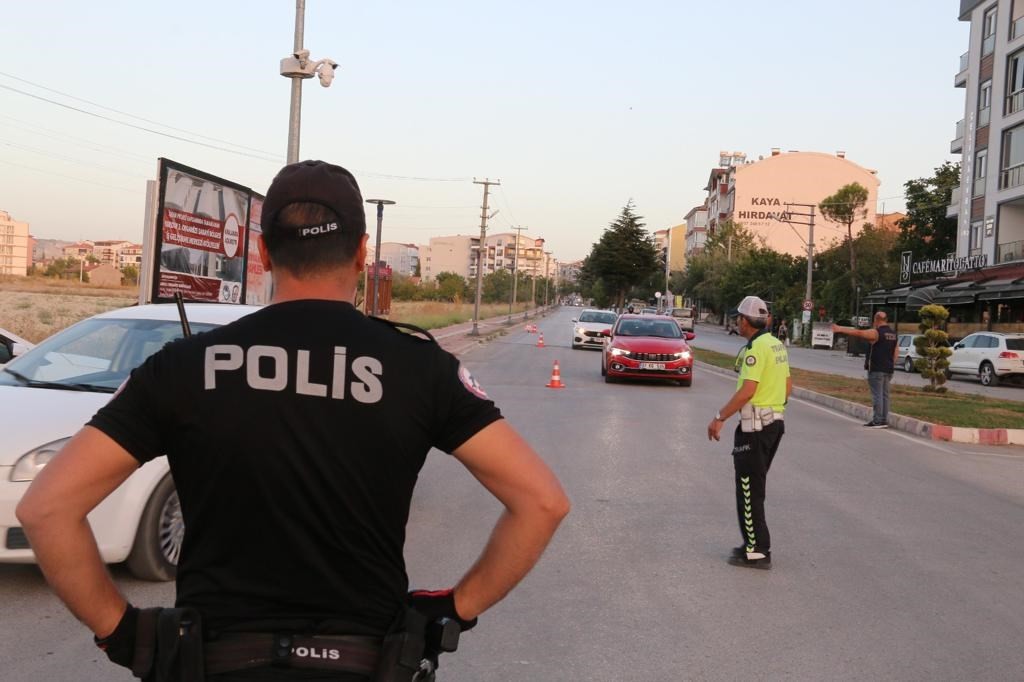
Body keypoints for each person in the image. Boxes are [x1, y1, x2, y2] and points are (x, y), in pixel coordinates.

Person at [16, 160, 570, 681]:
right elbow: (542, 502)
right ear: (360, 251)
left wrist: (123, 633)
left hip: (214, 661)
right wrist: (453, 610)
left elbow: (47, 509)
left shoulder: (182, 367)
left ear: (262, 252)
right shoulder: (420, 368)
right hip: (365, 660)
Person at [707, 295, 791, 570]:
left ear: (745, 321)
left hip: (755, 428)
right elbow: (788, 387)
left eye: (738, 319)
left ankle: (758, 550)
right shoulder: (776, 345)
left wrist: (720, 417)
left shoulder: (756, 350)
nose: (736, 323)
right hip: (774, 425)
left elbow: (748, 390)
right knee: (755, 487)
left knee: (748, 490)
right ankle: (752, 543)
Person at [832, 312, 899, 429]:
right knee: (885, 395)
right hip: (888, 369)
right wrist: (891, 364)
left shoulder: (876, 332)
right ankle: (883, 419)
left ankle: (877, 421)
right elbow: (896, 352)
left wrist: (840, 329)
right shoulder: (893, 334)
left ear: (876, 320)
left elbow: (859, 333)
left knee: (877, 395)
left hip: (876, 369)